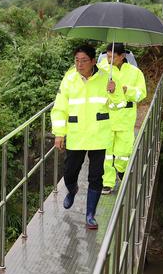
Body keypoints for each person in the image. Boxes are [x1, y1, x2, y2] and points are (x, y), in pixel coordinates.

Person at [51, 45, 125, 229]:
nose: (79, 64)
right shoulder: (69, 79)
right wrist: (59, 133)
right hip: (76, 135)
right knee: (69, 172)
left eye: (84, 60)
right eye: (77, 60)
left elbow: (120, 104)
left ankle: (90, 215)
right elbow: (60, 108)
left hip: (99, 135)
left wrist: (114, 91)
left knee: (96, 176)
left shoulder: (107, 78)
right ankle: (72, 189)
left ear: (93, 61)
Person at [98, 43, 147, 194]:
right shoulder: (101, 70)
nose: (109, 59)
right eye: (107, 55)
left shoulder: (135, 72)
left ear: (122, 56)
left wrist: (127, 90)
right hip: (106, 117)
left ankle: (121, 170)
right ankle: (107, 182)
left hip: (125, 118)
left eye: (113, 56)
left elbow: (141, 94)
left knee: (123, 151)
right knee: (106, 153)